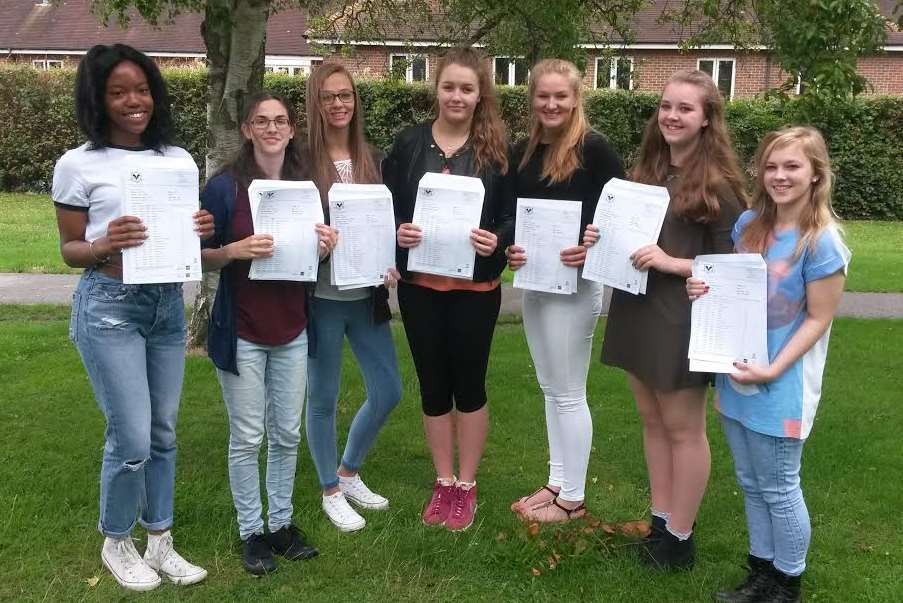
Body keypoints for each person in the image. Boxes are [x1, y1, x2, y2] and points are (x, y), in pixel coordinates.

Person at [53, 43, 209, 591]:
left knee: (164, 431)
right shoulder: (78, 164)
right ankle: (116, 540)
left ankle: (160, 540)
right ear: (97, 99)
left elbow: (185, 233)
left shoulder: (178, 159)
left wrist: (201, 230)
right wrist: (102, 243)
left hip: (166, 304)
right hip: (109, 307)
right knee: (133, 436)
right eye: (117, 92)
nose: (133, 101)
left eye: (141, 89)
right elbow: (69, 249)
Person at [688, 126, 849, 602]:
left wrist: (773, 369)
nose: (780, 176)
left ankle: (788, 581)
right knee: (749, 482)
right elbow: (736, 290)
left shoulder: (823, 242)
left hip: (781, 384)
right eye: (772, 166)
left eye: (793, 166)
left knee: (779, 485)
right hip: (737, 374)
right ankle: (760, 571)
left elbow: (819, 319)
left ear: (816, 174)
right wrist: (702, 287)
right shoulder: (750, 226)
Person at [595, 70, 745, 568]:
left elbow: (738, 267)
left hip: (681, 319)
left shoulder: (720, 187)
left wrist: (671, 262)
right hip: (637, 310)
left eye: (685, 108)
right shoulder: (647, 176)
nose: (672, 116)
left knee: (683, 429)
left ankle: (681, 537)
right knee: (651, 422)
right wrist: (604, 240)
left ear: (707, 120)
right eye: (665, 106)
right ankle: (661, 520)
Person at [200, 92, 334, 575]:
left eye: (280, 121)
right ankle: (251, 531)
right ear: (247, 130)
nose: (272, 128)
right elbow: (199, 255)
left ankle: (281, 524)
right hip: (243, 329)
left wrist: (324, 248)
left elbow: (315, 261)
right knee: (247, 436)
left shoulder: (308, 187)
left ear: (292, 130)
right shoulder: (224, 189)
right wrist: (233, 250)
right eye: (262, 121)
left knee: (286, 432)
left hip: (293, 326)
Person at [383, 46, 514, 532]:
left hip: (475, 291)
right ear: (435, 89)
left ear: (480, 95)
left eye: (467, 88)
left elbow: (511, 218)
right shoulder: (408, 143)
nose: (457, 96)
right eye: (449, 86)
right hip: (421, 288)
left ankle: (467, 484)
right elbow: (388, 207)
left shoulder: (496, 152)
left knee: (470, 386)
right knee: (434, 386)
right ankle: (443, 481)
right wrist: (400, 230)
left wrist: (496, 239)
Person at [505, 59, 623, 522]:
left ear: (576, 98)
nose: (551, 104)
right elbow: (514, 214)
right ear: (531, 98)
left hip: (576, 286)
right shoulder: (524, 149)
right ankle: (556, 482)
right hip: (535, 282)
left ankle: (572, 500)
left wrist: (589, 245)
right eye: (543, 96)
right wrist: (513, 246)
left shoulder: (595, 150)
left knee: (570, 391)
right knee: (550, 387)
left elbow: (622, 217)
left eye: (561, 96)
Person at [303, 62, 403, 532]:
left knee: (388, 391)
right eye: (329, 97)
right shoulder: (301, 161)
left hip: (367, 296)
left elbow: (386, 223)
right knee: (322, 396)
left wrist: (390, 260)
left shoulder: (373, 159)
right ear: (315, 103)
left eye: (346, 95)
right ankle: (328, 488)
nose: (339, 104)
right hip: (322, 297)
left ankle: (349, 470)